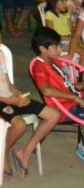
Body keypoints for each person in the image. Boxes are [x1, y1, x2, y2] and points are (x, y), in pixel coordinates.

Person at [0, 19, 60, 179]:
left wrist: (19, 95)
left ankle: (25, 152)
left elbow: (8, 84)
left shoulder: (0, 54)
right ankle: (3, 152)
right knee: (20, 125)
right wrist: (8, 101)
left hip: (9, 97)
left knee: (54, 115)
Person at [30, 27, 84, 160]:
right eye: (56, 47)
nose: (60, 50)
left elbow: (67, 86)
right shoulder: (39, 66)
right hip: (65, 107)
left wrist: (79, 86)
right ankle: (82, 147)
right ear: (43, 49)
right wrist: (75, 98)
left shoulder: (54, 62)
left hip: (72, 100)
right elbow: (46, 90)